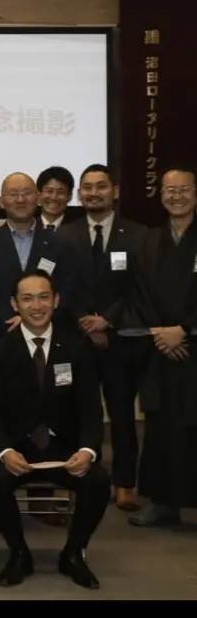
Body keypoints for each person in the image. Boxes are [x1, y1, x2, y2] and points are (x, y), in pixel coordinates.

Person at [0, 270, 110, 588]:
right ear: (14, 304)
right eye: (27, 299)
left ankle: (74, 553)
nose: (36, 306)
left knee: (97, 482)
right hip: (16, 444)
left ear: (56, 300)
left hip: (64, 445)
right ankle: (19, 553)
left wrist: (87, 450)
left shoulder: (77, 348)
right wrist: (4, 451)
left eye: (43, 297)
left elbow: (91, 410)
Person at [58, 164, 147, 511]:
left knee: (122, 414)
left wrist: (107, 320)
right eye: (87, 188)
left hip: (119, 338)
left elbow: (139, 286)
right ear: (80, 194)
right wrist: (86, 322)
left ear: (115, 191)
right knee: (76, 412)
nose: (93, 193)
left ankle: (124, 483)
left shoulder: (138, 235)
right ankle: (78, 479)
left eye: (101, 186)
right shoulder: (65, 234)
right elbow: (61, 285)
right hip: (77, 338)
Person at [127, 165, 197, 528]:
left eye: (184, 190)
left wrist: (184, 330)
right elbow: (138, 292)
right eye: (170, 190)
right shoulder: (148, 241)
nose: (176, 196)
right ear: (161, 195)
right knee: (161, 426)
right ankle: (163, 503)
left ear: (195, 194)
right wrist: (160, 333)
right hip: (160, 348)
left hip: (192, 346)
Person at [0, 172, 77, 340]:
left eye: (26, 193)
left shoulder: (59, 242)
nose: (20, 200)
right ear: (1, 202)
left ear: (38, 198)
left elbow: (66, 286)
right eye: (13, 194)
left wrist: (35, 318)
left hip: (48, 333)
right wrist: (10, 319)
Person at [36, 166, 78, 231]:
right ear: (39, 194)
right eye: (49, 191)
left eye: (60, 192)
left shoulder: (79, 229)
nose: (54, 197)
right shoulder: (27, 225)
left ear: (70, 196)